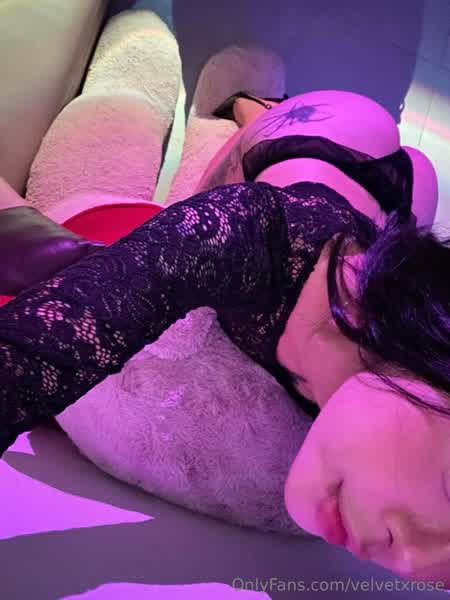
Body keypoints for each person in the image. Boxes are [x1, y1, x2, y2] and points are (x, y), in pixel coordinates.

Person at [0, 54, 448, 586]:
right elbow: (36, 351)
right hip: (331, 140)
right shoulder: (254, 233)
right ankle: (253, 104)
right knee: (195, 183)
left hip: (399, 213)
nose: (409, 564)